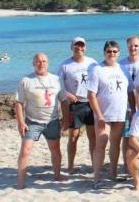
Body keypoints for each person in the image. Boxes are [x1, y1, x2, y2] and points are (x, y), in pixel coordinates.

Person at [15, 53, 64, 189]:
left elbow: (63, 100)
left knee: (55, 149)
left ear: (48, 63)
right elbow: (19, 103)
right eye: (38, 61)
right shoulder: (26, 80)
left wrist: (65, 118)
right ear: (33, 63)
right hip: (32, 122)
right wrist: (21, 122)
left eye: (44, 61)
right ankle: (20, 182)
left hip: (52, 121)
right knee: (25, 151)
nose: (41, 64)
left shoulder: (56, 79)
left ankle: (57, 175)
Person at [87, 41, 129, 188]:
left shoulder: (123, 69)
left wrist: (133, 109)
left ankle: (113, 174)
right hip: (103, 115)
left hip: (120, 114)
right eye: (109, 51)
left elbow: (130, 91)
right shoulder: (97, 69)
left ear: (119, 53)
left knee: (115, 144)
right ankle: (96, 178)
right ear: (104, 52)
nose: (112, 54)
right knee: (101, 144)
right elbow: (91, 95)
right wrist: (99, 115)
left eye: (115, 51)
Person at [58, 37, 97, 174]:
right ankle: (70, 166)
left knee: (93, 137)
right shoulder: (65, 65)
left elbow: (99, 81)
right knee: (73, 137)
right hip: (75, 105)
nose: (79, 48)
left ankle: (95, 165)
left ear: (85, 47)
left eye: (82, 45)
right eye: (76, 45)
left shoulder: (92, 63)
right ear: (71, 47)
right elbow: (58, 85)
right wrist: (67, 94)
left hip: (91, 104)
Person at [118, 35, 139, 171]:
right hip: (125, 107)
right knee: (126, 136)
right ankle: (127, 164)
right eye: (130, 45)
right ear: (127, 46)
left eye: (136, 45)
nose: (133, 48)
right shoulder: (120, 64)